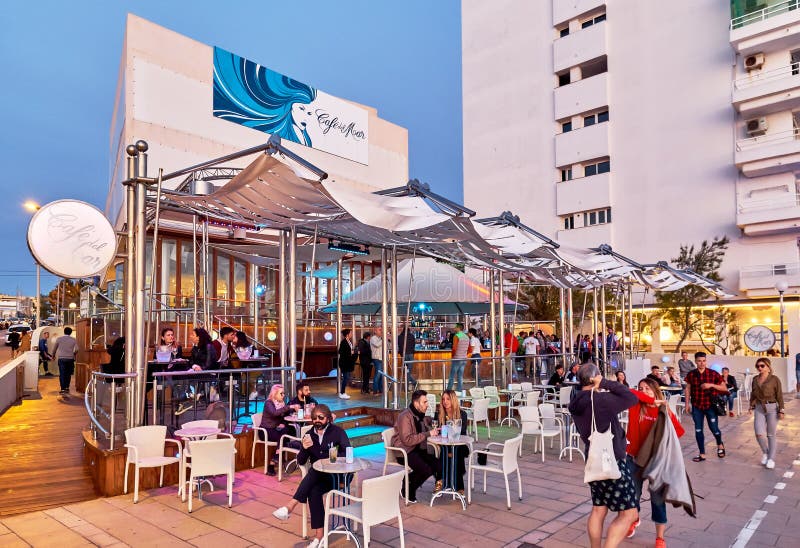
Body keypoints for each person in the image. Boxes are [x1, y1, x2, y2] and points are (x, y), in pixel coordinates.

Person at [568, 364, 638, 548]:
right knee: (629, 513)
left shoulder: (576, 401)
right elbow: (631, 397)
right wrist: (605, 382)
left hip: (593, 458)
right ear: (594, 378)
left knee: (599, 509)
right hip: (611, 459)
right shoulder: (600, 400)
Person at [272, 404, 350, 548]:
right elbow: (301, 461)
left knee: (314, 470)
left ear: (328, 418)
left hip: (337, 476)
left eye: (320, 417)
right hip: (320, 478)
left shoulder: (337, 432)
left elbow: (347, 454)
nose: (317, 421)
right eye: (314, 418)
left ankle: (290, 506)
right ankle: (319, 537)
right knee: (313, 491)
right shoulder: (309, 435)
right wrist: (304, 448)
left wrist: (330, 456)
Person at [626, 378, 685, 546]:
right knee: (631, 498)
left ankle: (660, 537)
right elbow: (629, 391)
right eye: (641, 388)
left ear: (656, 390)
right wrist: (649, 399)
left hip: (657, 464)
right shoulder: (635, 405)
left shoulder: (663, 410)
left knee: (657, 501)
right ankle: (634, 518)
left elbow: (678, 433)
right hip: (634, 460)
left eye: (648, 388)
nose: (643, 391)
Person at [391, 389, 441, 502]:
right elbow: (407, 440)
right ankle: (407, 491)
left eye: (427, 401)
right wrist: (428, 433)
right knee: (426, 470)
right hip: (404, 451)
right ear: (416, 403)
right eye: (425, 402)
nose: (427, 404)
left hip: (417, 449)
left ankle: (409, 480)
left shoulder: (420, 415)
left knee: (437, 464)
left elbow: (424, 427)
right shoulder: (405, 417)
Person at [684, 352, 727, 462]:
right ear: (695, 361)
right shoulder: (691, 374)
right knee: (698, 430)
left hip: (710, 406)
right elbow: (688, 388)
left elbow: (724, 388)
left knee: (714, 429)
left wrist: (711, 385)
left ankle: (720, 444)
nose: (702, 363)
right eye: (699, 361)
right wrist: (687, 404)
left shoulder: (713, 374)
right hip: (697, 406)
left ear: (706, 361)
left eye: (704, 361)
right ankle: (702, 453)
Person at [749, 358, 785, 469]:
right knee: (759, 433)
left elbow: (779, 395)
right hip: (759, 407)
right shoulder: (755, 379)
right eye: (758, 366)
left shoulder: (774, 379)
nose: (759, 368)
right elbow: (753, 394)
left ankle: (771, 458)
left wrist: (781, 410)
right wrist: (751, 405)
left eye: (762, 366)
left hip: (772, 408)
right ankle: (766, 452)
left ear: (768, 367)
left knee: (771, 435)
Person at [259, 384, 301, 475]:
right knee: (284, 436)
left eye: (284, 393)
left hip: (276, 429)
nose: (283, 395)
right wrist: (289, 407)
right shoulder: (269, 403)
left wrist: (291, 413)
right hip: (265, 431)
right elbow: (274, 413)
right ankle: (288, 451)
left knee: (287, 432)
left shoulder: (282, 403)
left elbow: (284, 416)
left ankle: (273, 462)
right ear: (274, 394)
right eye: (281, 393)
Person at [175, 328, 216, 415]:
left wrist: (201, 368)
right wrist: (194, 366)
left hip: (207, 373)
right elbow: (191, 361)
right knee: (180, 375)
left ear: (199, 337)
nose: (191, 336)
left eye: (193, 335)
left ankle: (187, 398)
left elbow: (209, 363)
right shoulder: (195, 348)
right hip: (196, 372)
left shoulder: (208, 346)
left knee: (185, 377)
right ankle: (185, 398)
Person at [438, 389, 469, 492]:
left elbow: (462, 432)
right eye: (443, 399)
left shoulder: (462, 414)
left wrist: (450, 428)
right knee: (443, 453)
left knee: (456, 453)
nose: (445, 402)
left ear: (453, 400)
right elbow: (438, 432)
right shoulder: (439, 414)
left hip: (459, 445)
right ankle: (443, 482)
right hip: (443, 445)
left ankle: (456, 485)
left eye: (448, 399)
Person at [52, 327, 79, 395]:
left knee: (62, 373)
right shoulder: (73, 340)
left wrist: (53, 355)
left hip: (61, 358)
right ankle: (67, 387)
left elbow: (54, 348)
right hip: (70, 359)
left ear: (64, 332)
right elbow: (77, 349)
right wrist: (73, 354)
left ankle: (63, 388)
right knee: (68, 373)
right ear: (70, 332)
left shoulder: (59, 339)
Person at [447, 322, 469, 392]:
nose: (454, 328)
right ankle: (459, 391)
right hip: (464, 358)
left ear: (458, 328)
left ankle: (448, 391)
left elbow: (454, 348)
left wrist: (453, 356)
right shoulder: (466, 337)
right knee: (460, 376)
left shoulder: (456, 336)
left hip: (457, 358)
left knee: (452, 376)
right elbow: (470, 349)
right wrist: (464, 354)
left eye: (455, 327)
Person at [337, 328, 356, 399]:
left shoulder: (349, 341)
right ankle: (342, 392)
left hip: (347, 362)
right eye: (350, 333)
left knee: (346, 378)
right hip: (344, 363)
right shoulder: (344, 342)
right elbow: (341, 352)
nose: (351, 334)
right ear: (347, 334)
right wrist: (350, 353)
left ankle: (343, 392)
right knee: (345, 378)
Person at [398, 323, 417, 388]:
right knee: (408, 371)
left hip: (404, 356)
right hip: (410, 355)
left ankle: (410, 385)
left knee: (406, 371)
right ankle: (412, 384)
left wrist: (401, 354)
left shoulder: (400, 337)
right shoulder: (412, 336)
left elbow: (399, 346)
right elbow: (413, 345)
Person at [369, 328, 383, 394]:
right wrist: (383, 339)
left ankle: (381, 390)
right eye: (379, 330)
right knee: (377, 375)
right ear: (375, 331)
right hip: (376, 358)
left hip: (382, 358)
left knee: (381, 376)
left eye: (381, 330)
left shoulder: (381, 338)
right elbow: (377, 345)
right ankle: (375, 391)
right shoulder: (373, 338)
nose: (381, 331)